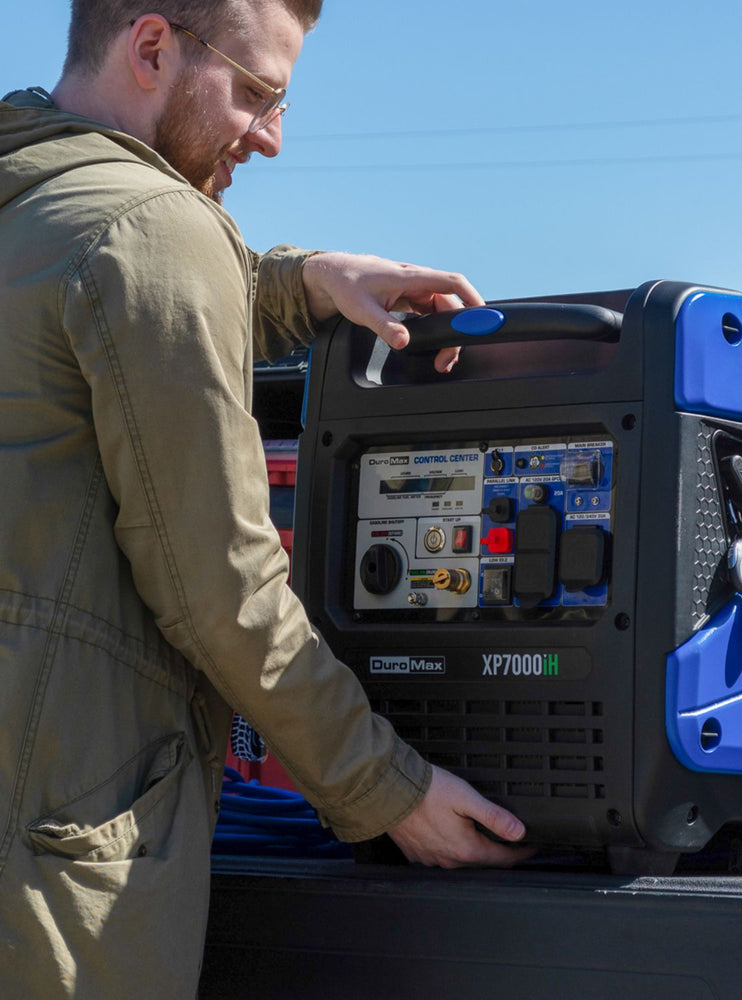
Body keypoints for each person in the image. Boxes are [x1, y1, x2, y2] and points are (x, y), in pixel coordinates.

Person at [0, 2, 530, 996]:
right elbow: (221, 587)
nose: (271, 137)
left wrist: (296, 283)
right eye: (255, 94)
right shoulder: (154, 231)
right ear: (152, 46)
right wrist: (386, 787)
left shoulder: (29, 205)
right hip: (52, 880)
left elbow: (104, 268)